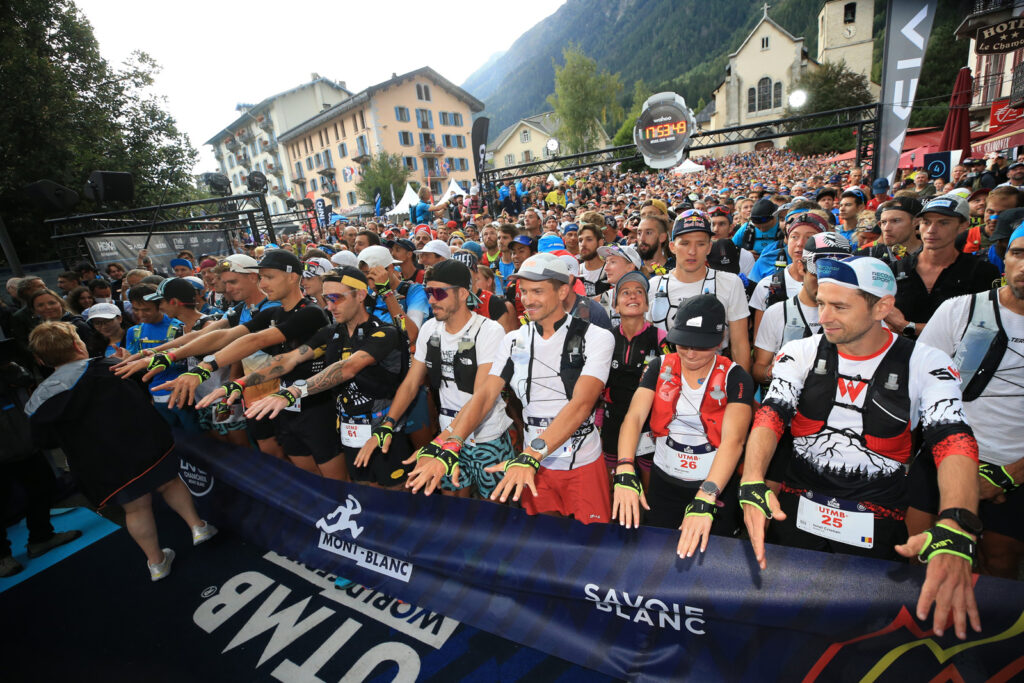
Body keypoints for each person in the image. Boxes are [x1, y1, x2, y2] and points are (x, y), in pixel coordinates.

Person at [741, 255, 982, 641]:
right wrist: (752, 479)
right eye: (821, 303)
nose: (824, 317)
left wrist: (956, 522)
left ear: (882, 307)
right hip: (797, 511)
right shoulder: (800, 352)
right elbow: (772, 414)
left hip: (877, 519)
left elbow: (952, 438)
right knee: (786, 624)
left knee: (861, 633)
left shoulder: (926, 362)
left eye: (840, 307)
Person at [25, 321, 216, 581]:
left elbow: (44, 441)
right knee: (170, 483)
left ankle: (156, 563)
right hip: (145, 445)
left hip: (100, 465)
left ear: (41, 360)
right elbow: (143, 392)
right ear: (78, 345)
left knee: (135, 509)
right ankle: (198, 527)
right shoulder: (110, 367)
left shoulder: (39, 400)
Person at [442, 253, 615, 523]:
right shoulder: (513, 339)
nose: (527, 299)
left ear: (563, 291)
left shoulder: (596, 336)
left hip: (579, 463)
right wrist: (450, 442)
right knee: (540, 541)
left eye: (537, 291)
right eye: (523, 291)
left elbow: (582, 404)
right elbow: (486, 394)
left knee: (592, 543)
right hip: (532, 465)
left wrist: (531, 455)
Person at [134, 250, 333, 471]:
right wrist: (167, 355)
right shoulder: (273, 312)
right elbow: (224, 335)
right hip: (281, 402)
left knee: (333, 479)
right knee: (302, 474)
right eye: (262, 278)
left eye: (269, 277)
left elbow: (256, 341)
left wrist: (205, 369)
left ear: (293, 277)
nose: (263, 284)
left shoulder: (310, 312)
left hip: (315, 404)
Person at [912, 224, 1024, 579]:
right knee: (920, 557)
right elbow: (919, 386)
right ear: (1005, 258)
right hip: (940, 455)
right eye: (1019, 253)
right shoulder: (959, 310)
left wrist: (1007, 475)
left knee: (999, 567)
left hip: (1013, 469)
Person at [240, 267, 409, 486]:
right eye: (327, 299)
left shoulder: (384, 332)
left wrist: (292, 392)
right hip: (348, 427)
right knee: (363, 489)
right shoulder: (332, 332)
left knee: (396, 492)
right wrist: (240, 383)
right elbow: (289, 359)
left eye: (336, 298)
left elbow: (348, 368)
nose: (329, 306)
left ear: (360, 295)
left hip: (385, 428)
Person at [613, 295, 753, 559]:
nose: (690, 353)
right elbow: (634, 416)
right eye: (683, 343)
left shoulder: (735, 377)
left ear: (719, 341)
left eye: (700, 346)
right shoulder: (659, 366)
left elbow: (734, 441)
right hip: (664, 482)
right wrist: (625, 467)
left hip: (713, 485)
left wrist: (707, 495)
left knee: (712, 558)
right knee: (657, 554)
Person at [375, 260, 515, 498]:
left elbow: (481, 397)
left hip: (486, 435)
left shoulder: (489, 331)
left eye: (439, 293)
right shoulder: (429, 329)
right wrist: (387, 423)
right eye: (428, 292)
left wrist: (440, 441)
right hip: (446, 430)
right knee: (453, 505)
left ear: (462, 293)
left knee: (492, 508)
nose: (431, 300)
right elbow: (411, 383)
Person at [0, 358, 82, 577]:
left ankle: (41, 537)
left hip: (23, 439)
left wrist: (7, 366)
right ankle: (1, 557)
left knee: (42, 486)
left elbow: (25, 378)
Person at [648, 211, 751, 372]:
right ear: (672, 247)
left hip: (714, 376)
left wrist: (742, 384)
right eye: (685, 243)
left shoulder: (730, 283)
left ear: (709, 247)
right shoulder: (654, 286)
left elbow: (739, 343)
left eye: (700, 244)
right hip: (664, 376)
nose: (692, 251)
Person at [890, 195, 1001, 340]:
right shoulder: (894, 270)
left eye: (943, 223)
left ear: (963, 226)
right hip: (903, 353)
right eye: (926, 222)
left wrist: (908, 327)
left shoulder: (983, 272)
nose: (931, 230)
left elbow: (981, 329)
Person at [752, 233, 852, 386]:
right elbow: (758, 368)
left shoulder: (858, 314)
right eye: (818, 276)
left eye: (836, 278)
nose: (826, 284)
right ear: (801, 267)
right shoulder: (777, 313)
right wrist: (773, 371)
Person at [600, 271, 666, 491]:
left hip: (649, 424)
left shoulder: (661, 338)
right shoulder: (605, 339)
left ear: (647, 305)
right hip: (612, 422)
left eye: (639, 292)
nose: (632, 296)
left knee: (650, 486)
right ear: (616, 306)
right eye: (625, 292)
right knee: (613, 485)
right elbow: (597, 386)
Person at [749, 212, 830, 341]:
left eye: (809, 238)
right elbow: (760, 343)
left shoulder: (833, 285)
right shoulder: (767, 285)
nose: (800, 243)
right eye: (794, 237)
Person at [856, 197, 923, 269]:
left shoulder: (931, 255)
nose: (886, 228)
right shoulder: (865, 257)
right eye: (883, 222)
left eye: (896, 221)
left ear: (916, 222)